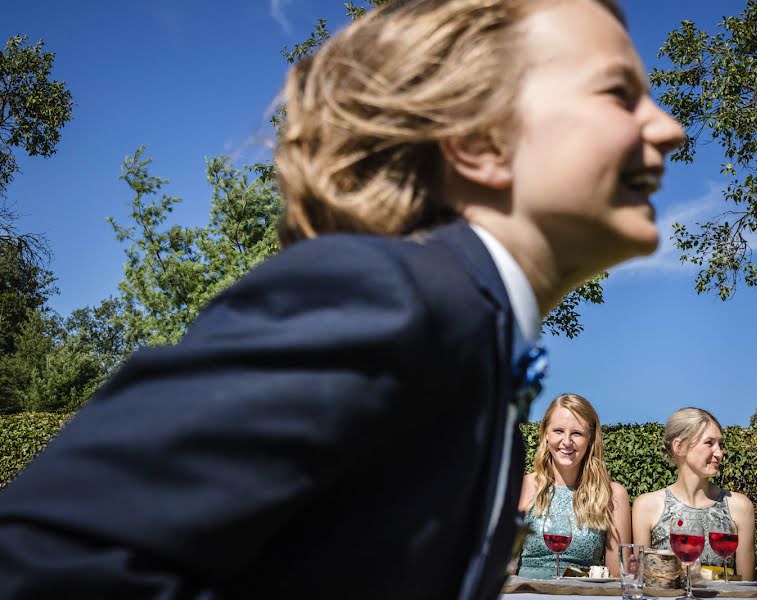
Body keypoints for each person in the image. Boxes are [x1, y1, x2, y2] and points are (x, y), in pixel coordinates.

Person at [0, 0, 684, 598]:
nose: (669, 129)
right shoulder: (390, 295)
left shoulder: (477, 343)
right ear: (479, 141)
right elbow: (43, 560)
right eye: (620, 94)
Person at [632, 408, 756, 580]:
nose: (719, 453)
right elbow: (643, 580)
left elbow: (745, 584)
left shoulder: (740, 506)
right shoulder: (647, 506)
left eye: (721, 445)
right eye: (709, 443)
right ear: (679, 446)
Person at [517, 394, 631, 579]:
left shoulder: (612, 495)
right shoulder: (523, 486)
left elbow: (617, 577)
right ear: (546, 433)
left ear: (590, 438)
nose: (567, 441)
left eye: (577, 433)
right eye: (558, 431)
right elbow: (503, 564)